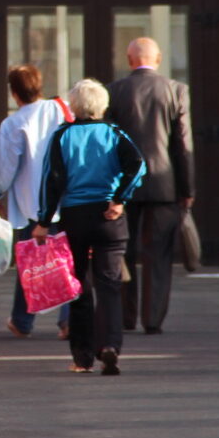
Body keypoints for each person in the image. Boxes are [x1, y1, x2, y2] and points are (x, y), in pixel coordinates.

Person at [37, 78, 145, 375]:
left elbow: (52, 180)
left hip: (75, 217)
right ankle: (110, 346)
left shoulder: (62, 136)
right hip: (110, 216)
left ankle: (82, 357)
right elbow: (137, 165)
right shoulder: (115, 133)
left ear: (74, 105)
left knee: (80, 287)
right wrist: (120, 198)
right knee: (109, 285)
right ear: (102, 105)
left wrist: (44, 220)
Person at [107, 37, 194, 335]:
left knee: (122, 250)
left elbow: (109, 146)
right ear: (157, 59)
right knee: (158, 254)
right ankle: (153, 318)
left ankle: (126, 316)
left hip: (123, 186)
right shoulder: (176, 90)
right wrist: (187, 189)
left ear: (130, 59)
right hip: (164, 183)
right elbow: (183, 145)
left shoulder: (115, 91)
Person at [0, 65, 70, 337]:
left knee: (29, 260)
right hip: (67, 197)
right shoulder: (61, 108)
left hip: (31, 200)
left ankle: (23, 321)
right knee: (69, 259)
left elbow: (4, 167)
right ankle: (68, 320)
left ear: (14, 93)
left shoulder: (14, 123)